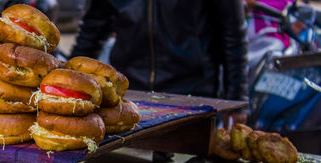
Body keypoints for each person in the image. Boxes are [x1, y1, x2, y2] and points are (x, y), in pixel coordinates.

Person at [70, 0, 249, 129]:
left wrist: (238, 97)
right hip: (130, 98)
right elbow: (93, 28)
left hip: (193, 98)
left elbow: (233, 33)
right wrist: (68, 81)